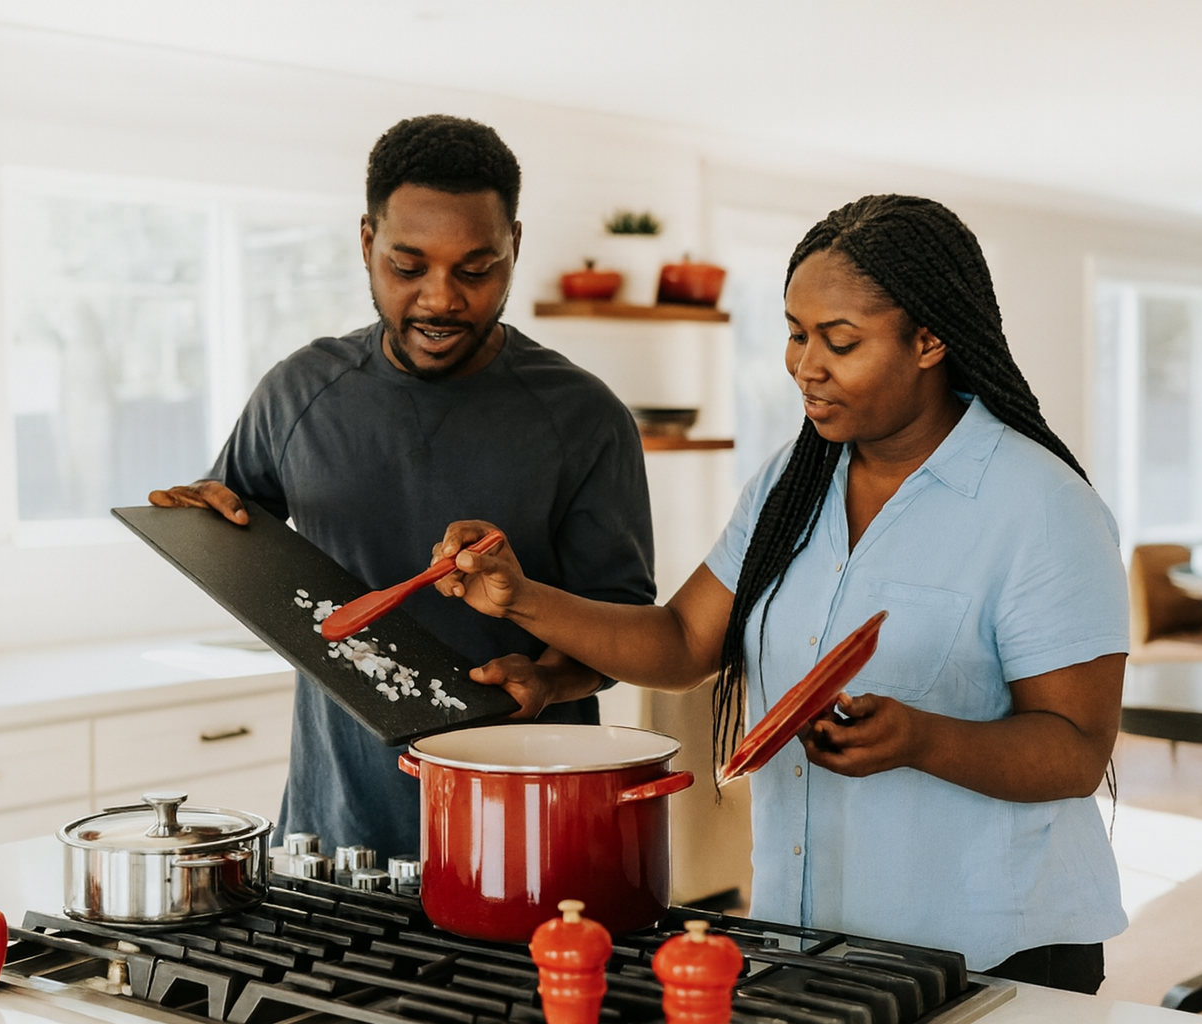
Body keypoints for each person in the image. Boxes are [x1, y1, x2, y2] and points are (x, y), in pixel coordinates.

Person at [434, 195, 1129, 994]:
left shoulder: (1040, 506)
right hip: (808, 946)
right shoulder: (791, 485)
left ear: (931, 339)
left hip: (994, 956)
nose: (805, 365)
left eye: (841, 341)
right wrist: (518, 597)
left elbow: (1077, 751)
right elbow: (681, 642)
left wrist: (922, 740)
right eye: (796, 333)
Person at [148, 114, 655, 859]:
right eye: (408, 266)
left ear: (515, 246)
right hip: (333, 826)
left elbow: (627, 632)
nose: (440, 300)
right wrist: (201, 514)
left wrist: (548, 678)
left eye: (476, 269)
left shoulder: (585, 419)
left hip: (525, 826)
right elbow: (235, 531)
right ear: (366, 244)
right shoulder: (298, 394)